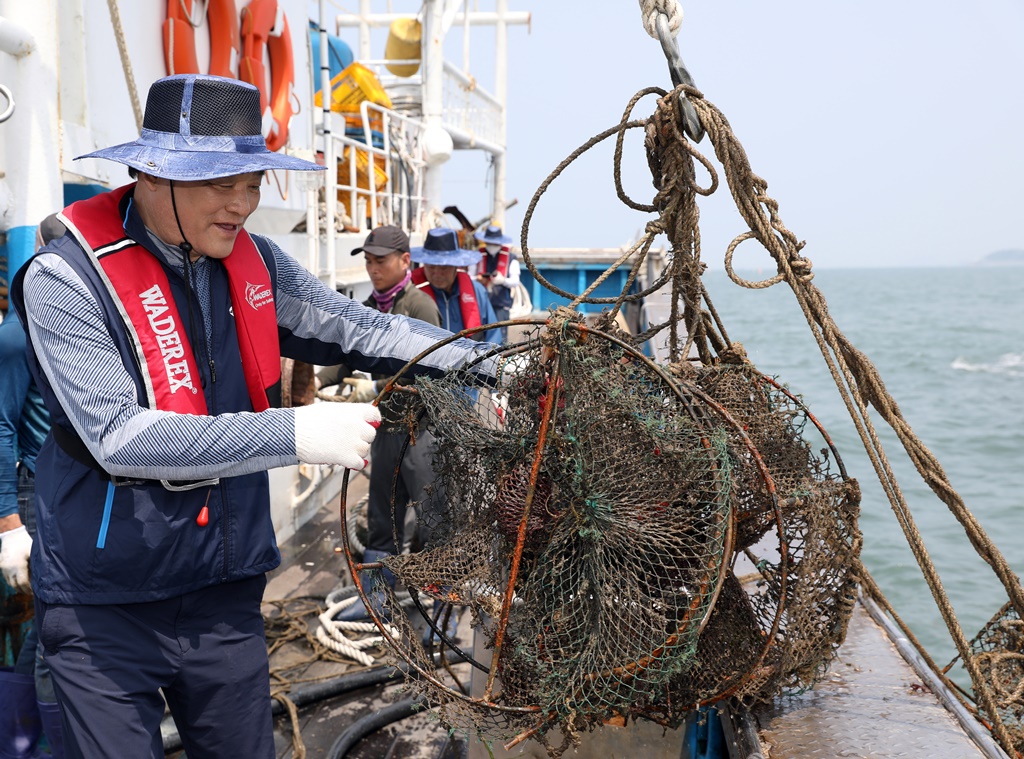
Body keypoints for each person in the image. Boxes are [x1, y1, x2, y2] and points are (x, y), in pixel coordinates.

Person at [9, 74, 498, 759]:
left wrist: (489, 362)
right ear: (151, 173)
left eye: (253, 179)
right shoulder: (64, 281)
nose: (242, 202)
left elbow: (362, 328)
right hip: (104, 605)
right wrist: (294, 431)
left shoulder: (258, 262)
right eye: (219, 181)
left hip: (223, 595)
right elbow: (120, 435)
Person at [315, 226, 444, 625]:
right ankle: (376, 603)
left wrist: (375, 386)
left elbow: (435, 376)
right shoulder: (368, 307)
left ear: (405, 261)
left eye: (381, 261)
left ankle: (443, 613)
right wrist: (314, 383)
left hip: (421, 435)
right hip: (385, 434)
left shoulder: (421, 307)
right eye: (368, 261)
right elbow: (345, 356)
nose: (373, 269)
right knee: (382, 521)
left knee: (434, 524)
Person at [0, 215, 63, 759]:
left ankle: (24, 738)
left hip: (73, 496)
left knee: (57, 629)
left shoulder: (74, 322)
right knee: (54, 633)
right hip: (37, 499)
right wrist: (9, 522)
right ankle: (38, 745)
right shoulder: (19, 335)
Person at [411, 227, 503, 345]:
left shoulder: (477, 291)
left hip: (471, 361)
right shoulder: (412, 295)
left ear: (456, 265)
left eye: (444, 267)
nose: (437, 274)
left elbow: (494, 337)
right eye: (431, 267)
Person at [471, 223, 520, 339]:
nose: (491, 245)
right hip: (480, 303)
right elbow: (468, 277)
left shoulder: (511, 258)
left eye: (494, 243)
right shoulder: (477, 256)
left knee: (500, 337)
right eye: (489, 243)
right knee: (480, 336)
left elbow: (515, 281)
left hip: (501, 304)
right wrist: (478, 280)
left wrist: (502, 281)